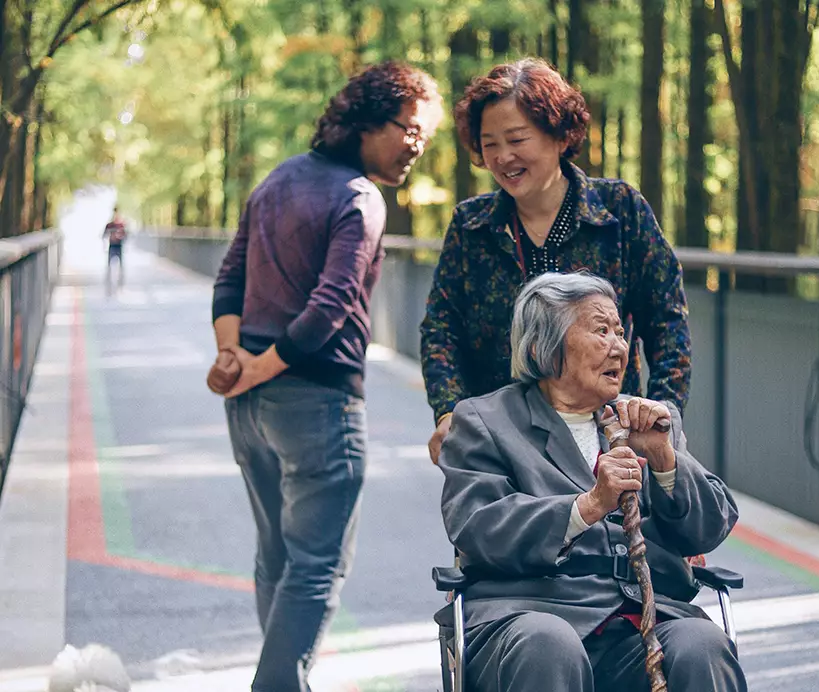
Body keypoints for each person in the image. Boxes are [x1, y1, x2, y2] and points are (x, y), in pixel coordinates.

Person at [209, 61, 442, 692]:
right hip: (317, 404)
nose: (417, 146)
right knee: (316, 567)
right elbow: (330, 306)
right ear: (368, 121)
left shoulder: (276, 180)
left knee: (277, 557)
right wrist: (254, 365)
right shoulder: (359, 197)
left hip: (249, 409)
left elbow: (230, 279)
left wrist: (233, 357)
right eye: (410, 129)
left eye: (424, 136)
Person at [438, 271, 745, 692]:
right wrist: (588, 506)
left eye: (620, 332)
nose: (619, 347)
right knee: (549, 644)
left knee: (701, 645)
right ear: (543, 347)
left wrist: (663, 457)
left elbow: (709, 529)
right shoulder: (485, 420)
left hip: (641, 623)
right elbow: (477, 527)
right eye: (602, 331)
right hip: (529, 617)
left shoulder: (646, 420)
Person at [421, 58, 691, 465]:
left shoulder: (620, 211)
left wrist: (663, 414)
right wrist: (449, 411)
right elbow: (441, 329)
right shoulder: (470, 226)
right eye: (490, 143)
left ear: (560, 136)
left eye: (517, 139)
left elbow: (667, 322)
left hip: (607, 440)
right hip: (501, 442)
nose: (503, 157)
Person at [102, 207, 127, 289]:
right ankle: (108, 283)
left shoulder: (121, 225)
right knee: (109, 266)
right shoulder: (110, 225)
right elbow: (104, 235)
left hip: (119, 246)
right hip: (112, 246)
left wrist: (121, 236)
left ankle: (120, 284)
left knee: (121, 266)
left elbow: (126, 236)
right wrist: (105, 245)